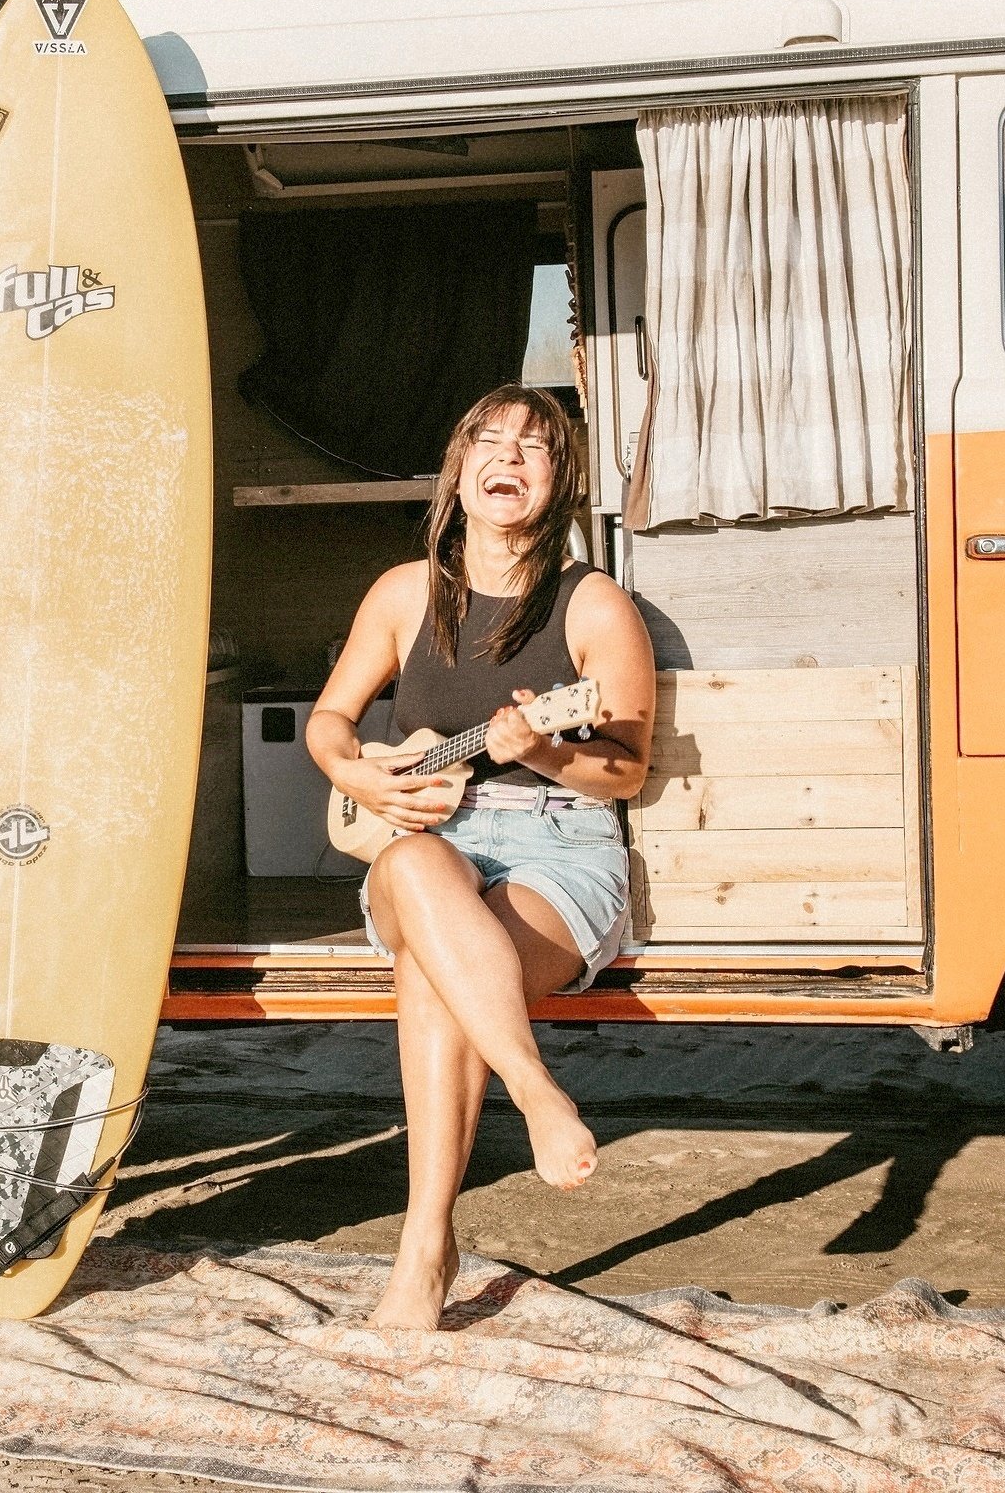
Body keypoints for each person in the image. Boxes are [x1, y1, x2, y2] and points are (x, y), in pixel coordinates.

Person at [305, 382, 655, 1330]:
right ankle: (534, 1088)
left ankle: (425, 1247)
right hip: (428, 836)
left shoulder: (593, 604)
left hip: (558, 842)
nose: (509, 456)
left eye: (534, 446)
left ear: (559, 480)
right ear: (459, 471)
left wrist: (541, 749)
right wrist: (359, 774)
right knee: (413, 869)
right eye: (490, 441)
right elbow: (330, 721)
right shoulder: (404, 592)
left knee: (433, 966)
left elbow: (624, 769)